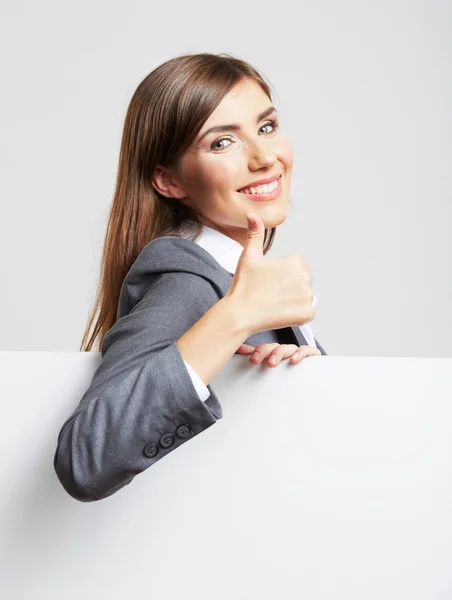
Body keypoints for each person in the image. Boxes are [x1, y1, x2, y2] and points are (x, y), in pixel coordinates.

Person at [53, 52, 327, 503]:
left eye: (266, 127)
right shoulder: (186, 278)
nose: (264, 157)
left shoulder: (234, 273)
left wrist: (301, 380)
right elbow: (85, 459)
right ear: (169, 181)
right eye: (222, 143)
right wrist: (236, 315)